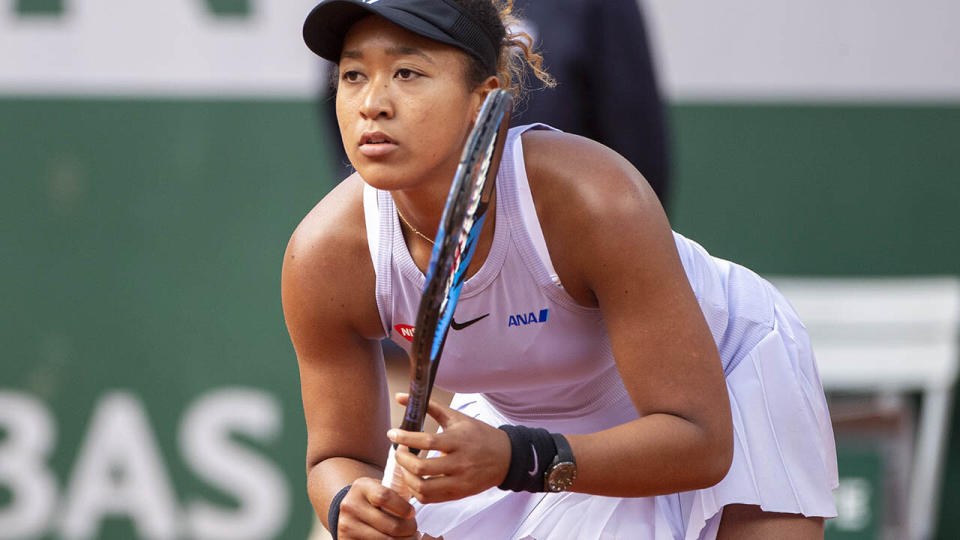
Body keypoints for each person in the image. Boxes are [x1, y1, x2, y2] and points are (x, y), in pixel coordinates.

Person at [285, 1, 838, 538]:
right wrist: (347, 503)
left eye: (408, 72)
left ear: (484, 100)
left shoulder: (595, 199)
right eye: (353, 74)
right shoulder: (325, 255)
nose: (372, 103)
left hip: (723, 374)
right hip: (531, 420)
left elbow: (700, 443)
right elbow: (337, 457)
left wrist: (514, 458)